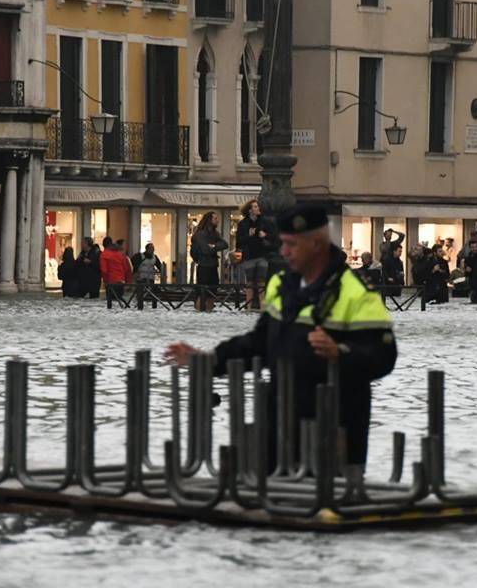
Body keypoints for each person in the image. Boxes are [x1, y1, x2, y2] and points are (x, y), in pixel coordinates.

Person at [165, 204, 397, 489]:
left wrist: (341, 353)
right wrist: (209, 361)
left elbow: (383, 355)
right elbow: (261, 344)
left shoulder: (356, 292)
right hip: (279, 427)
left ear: (316, 245)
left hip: (333, 429)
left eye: (291, 245)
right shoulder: (282, 286)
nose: (284, 252)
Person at [236, 199, 276, 307]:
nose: (258, 208)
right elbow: (239, 242)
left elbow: (274, 237)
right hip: (249, 256)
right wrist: (249, 235)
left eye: (258, 206)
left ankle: (263, 306)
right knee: (250, 283)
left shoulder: (264, 222)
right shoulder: (243, 224)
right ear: (250, 210)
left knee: (261, 282)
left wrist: (265, 235)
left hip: (262, 255)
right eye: (255, 207)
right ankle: (249, 306)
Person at [191, 211, 229, 311]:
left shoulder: (215, 234)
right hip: (203, 265)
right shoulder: (200, 234)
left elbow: (225, 244)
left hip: (213, 265)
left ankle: (209, 310)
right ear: (209, 220)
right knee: (202, 291)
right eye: (215, 218)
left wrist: (214, 246)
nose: (218, 220)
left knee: (212, 291)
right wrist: (213, 247)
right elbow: (205, 249)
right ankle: (200, 310)